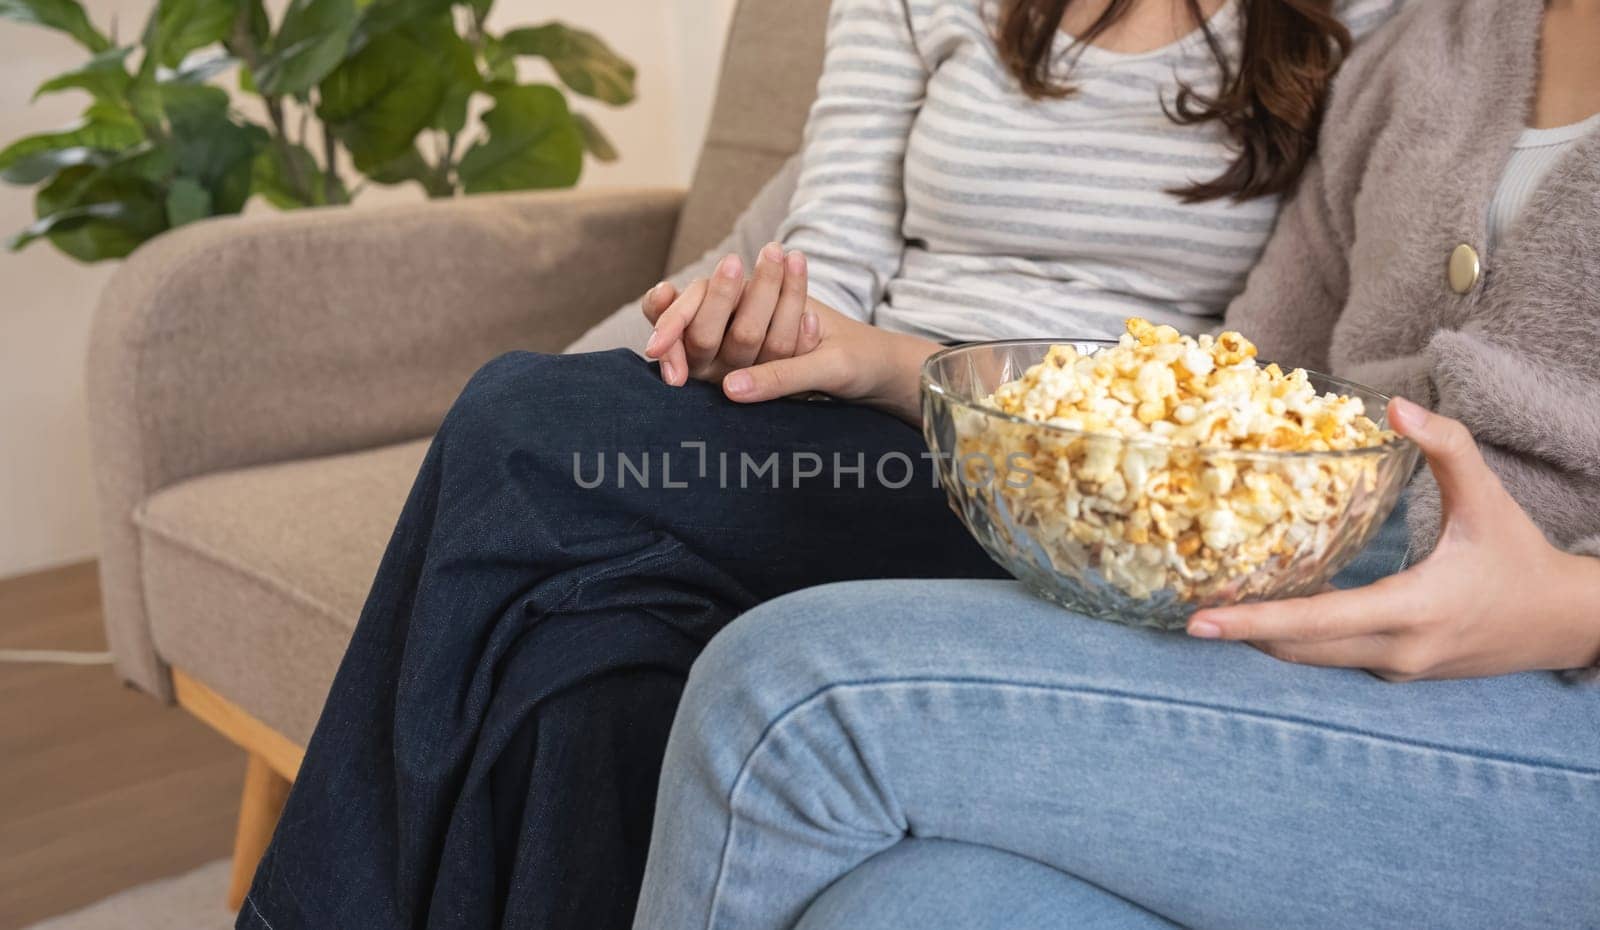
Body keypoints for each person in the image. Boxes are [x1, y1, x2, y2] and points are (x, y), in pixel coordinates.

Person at [237, 1, 1404, 928]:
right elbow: (832, 252)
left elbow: (1244, 384)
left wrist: (908, 366)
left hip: (1084, 489)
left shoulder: (1358, 21)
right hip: (859, 435)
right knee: (596, 663)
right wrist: (764, 322)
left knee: (517, 423)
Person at [628, 1, 1600, 927]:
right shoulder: (1428, 39)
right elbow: (1250, 377)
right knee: (903, 908)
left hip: (1559, 694)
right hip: (1309, 596)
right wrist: (912, 374)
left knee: (784, 697)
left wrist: (1563, 604)